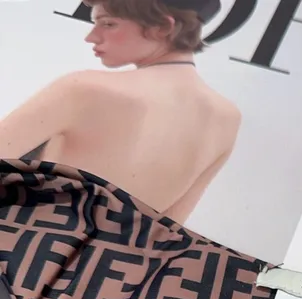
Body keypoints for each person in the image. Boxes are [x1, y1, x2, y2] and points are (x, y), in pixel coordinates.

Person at [0, 0, 241, 224]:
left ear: (163, 27)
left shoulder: (84, 89)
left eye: (108, 24)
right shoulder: (227, 118)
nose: (91, 37)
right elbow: (165, 233)